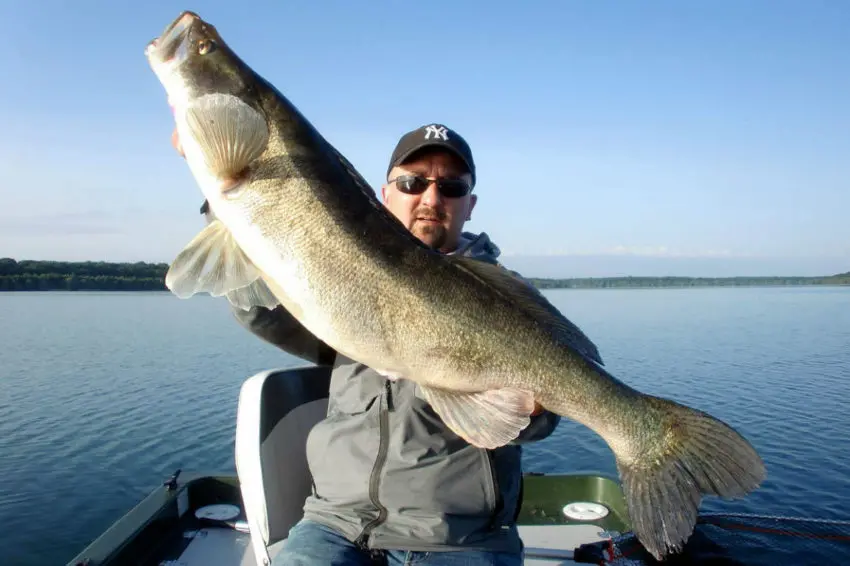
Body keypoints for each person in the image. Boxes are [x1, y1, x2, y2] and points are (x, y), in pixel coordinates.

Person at [175, 123, 561, 565]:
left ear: (469, 205)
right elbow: (260, 309)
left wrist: (530, 411)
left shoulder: (507, 300)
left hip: (461, 538)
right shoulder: (338, 284)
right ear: (384, 194)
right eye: (412, 182)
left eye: (451, 187)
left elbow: (542, 421)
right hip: (334, 526)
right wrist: (224, 194)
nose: (431, 199)